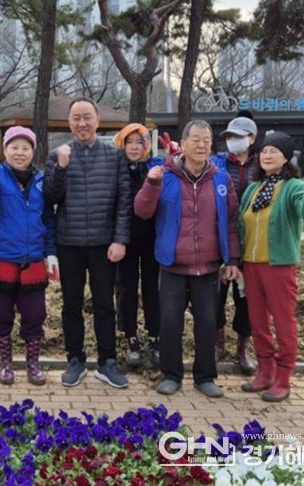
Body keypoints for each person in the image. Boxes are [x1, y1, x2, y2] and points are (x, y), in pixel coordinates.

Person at [134, 120, 240, 398]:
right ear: (183, 143)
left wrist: (232, 259)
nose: (202, 145)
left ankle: (205, 377)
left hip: (208, 266)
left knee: (207, 323)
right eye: (196, 139)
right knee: (170, 322)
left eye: (206, 140)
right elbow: (143, 211)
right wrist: (151, 184)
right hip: (173, 264)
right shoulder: (165, 175)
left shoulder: (221, 179)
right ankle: (171, 374)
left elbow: (231, 221)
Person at [44, 97, 131, 389]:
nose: (82, 123)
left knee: (105, 305)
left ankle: (107, 362)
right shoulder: (58, 154)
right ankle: (75, 360)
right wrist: (61, 168)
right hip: (68, 242)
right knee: (71, 305)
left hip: (104, 244)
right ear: (69, 122)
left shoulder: (115, 156)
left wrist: (120, 239)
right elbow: (50, 197)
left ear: (97, 120)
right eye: (76, 118)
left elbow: (124, 201)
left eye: (87, 117)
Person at [239, 131, 304, 402]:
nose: (267, 155)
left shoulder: (293, 187)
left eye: (273, 151)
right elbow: (241, 225)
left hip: (279, 266)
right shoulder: (253, 189)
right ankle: (265, 372)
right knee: (258, 322)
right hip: (251, 266)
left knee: (284, 322)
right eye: (264, 151)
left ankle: (283, 377)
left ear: (286, 157)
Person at [0, 126, 58, 386]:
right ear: (5, 149)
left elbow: (48, 219)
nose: (20, 152)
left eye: (25, 148)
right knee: (2, 315)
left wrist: (51, 253)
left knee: (35, 314)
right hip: (1, 257)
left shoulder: (41, 180)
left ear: (33, 151)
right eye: (14, 147)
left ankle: (33, 364)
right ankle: (6, 364)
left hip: (33, 259)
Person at [210, 116, 259, 373]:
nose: (233, 141)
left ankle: (243, 349)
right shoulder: (217, 163)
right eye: (229, 136)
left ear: (252, 139)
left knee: (246, 300)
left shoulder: (261, 165)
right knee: (215, 298)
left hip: (251, 242)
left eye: (238, 136)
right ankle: (217, 345)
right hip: (220, 240)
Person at [112, 123, 162, 367]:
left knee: (153, 288)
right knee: (126, 287)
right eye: (129, 142)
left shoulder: (156, 168)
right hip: (125, 238)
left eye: (139, 142)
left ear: (147, 145)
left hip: (153, 237)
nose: (134, 147)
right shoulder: (116, 169)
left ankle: (155, 336)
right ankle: (130, 335)